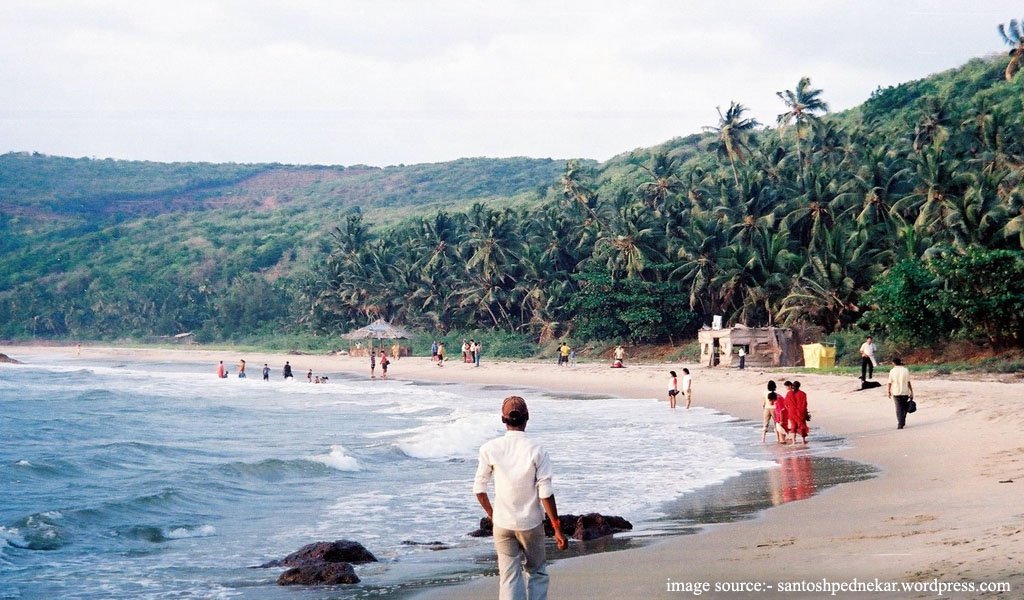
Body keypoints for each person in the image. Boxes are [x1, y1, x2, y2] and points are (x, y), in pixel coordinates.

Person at [473, 396, 568, 600]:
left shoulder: (489, 448)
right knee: (537, 572)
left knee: (509, 576)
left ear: (503, 419)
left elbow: (479, 489)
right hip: (531, 523)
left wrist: (493, 515)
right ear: (527, 418)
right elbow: (545, 493)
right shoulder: (537, 450)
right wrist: (557, 527)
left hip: (503, 522)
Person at [887, 357, 914, 430]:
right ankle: (902, 421)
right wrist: (911, 391)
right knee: (904, 407)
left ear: (893, 363)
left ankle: (900, 423)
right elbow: (908, 382)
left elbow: (889, 382)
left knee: (898, 408)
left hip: (896, 392)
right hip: (905, 391)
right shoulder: (905, 370)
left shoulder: (892, 371)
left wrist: (888, 391)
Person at [786, 380, 809, 444]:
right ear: (799, 386)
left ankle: (793, 442)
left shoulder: (789, 393)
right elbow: (805, 404)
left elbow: (786, 403)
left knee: (793, 426)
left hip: (792, 412)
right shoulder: (803, 394)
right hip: (800, 412)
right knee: (801, 425)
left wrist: (788, 409)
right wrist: (805, 412)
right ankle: (803, 441)